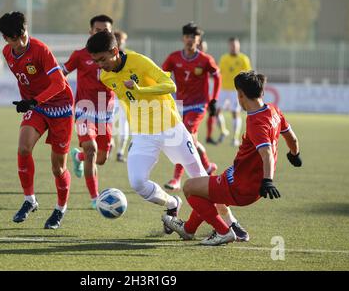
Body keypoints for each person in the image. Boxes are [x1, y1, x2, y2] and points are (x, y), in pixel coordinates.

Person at [86, 31, 248, 239]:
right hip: (143, 135)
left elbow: (171, 85)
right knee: (137, 183)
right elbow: (128, 101)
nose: (100, 65)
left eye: (102, 59)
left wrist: (140, 90)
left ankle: (231, 223)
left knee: (202, 181)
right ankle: (173, 204)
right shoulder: (106, 76)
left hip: (172, 129)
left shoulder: (140, 62)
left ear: (115, 51)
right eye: (96, 61)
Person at [162, 70, 302, 246]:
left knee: (189, 187)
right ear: (262, 92)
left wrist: (268, 181)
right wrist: (295, 154)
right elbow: (292, 138)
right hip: (241, 179)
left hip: (242, 186)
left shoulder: (256, 122)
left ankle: (223, 232)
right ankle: (189, 229)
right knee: (207, 189)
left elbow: (266, 153)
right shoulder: (274, 110)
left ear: (240, 94)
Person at [0, 11, 74, 229]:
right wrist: (29, 102)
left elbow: (59, 84)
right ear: (6, 39)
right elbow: (27, 79)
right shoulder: (7, 53)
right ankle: (29, 200)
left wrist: (33, 101)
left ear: (25, 29)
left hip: (61, 108)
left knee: (58, 168)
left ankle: (60, 209)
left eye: (23, 35)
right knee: (23, 148)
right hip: (38, 108)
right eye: (15, 39)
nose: (22, 42)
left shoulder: (40, 50)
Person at [62, 15, 115, 209]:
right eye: (98, 30)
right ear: (90, 32)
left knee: (101, 159)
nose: (102, 33)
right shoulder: (80, 55)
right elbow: (62, 73)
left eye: (105, 31)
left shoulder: (117, 55)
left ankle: (79, 156)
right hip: (85, 108)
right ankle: (95, 198)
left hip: (105, 112)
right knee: (91, 149)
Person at [162, 23, 219, 191]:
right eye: (187, 36)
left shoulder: (205, 60)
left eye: (193, 37)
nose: (190, 40)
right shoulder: (174, 58)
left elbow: (218, 77)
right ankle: (207, 166)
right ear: (182, 38)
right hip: (180, 105)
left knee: (183, 136)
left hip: (199, 105)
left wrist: (214, 99)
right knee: (191, 140)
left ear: (198, 39)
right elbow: (161, 75)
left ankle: (176, 179)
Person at [216, 37, 252, 147]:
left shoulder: (243, 59)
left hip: (236, 90)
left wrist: (245, 89)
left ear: (239, 46)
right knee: (216, 112)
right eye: (232, 45)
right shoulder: (223, 58)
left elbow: (248, 74)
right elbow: (219, 72)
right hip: (223, 89)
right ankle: (223, 131)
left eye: (235, 45)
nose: (233, 47)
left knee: (234, 113)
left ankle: (235, 138)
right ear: (229, 46)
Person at [112, 30, 131, 163]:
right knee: (109, 123)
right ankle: (109, 144)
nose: (119, 42)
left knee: (124, 124)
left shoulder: (130, 56)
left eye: (121, 40)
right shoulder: (107, 55)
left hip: (125, 97)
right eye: (117, 39)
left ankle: (120, 152)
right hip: (111, 96)